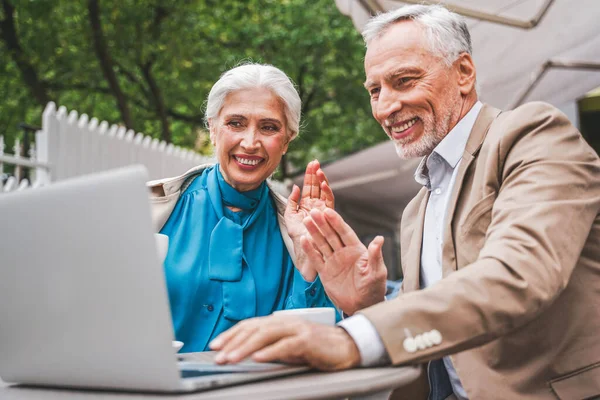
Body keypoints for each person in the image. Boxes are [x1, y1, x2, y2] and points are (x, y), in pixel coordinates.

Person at [209, 5, 600, 400]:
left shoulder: (534, 134)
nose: (385, 107)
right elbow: (430, 340)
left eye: (404, 81)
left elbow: (518, 274)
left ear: (464, 72)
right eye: (375, 90)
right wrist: (366, 303)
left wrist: (352, 338)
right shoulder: (417, 210)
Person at [147, 63, 340, 353]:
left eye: (268, 127)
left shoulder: (296, 231)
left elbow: (312, 343)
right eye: (235, 123)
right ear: (213, 129)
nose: (250, 142)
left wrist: (307, 263)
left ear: (287, 140)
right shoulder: (152, 210)